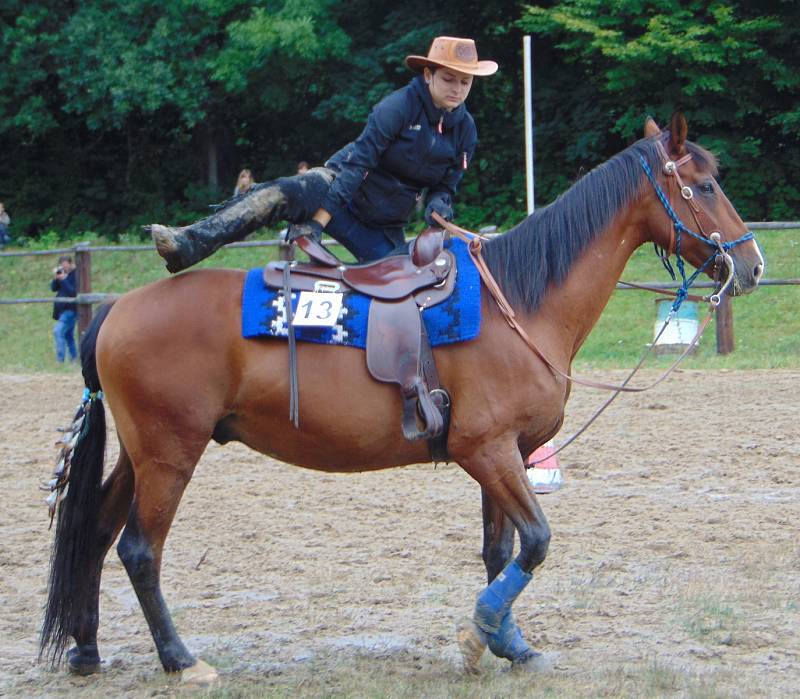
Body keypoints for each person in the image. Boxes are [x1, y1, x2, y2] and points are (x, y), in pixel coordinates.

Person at [149, 36, 497, 272]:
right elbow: (359, 165)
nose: (457, 89)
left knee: (402, 280)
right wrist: (317, 223)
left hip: (384, 223)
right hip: (338, 191)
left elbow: (447, 185)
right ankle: (189, 244)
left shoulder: (466, 131)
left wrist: (439, 205)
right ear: (428, 74)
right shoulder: (396, 108)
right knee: (275, 195)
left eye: (464, 82)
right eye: (449, 79)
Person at [51, 256, 78, 363]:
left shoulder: (76, 275)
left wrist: (64, 279)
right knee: (68, 336)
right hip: (62, 311)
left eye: (65, 264)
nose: (64, 267)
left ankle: (60, 360)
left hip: (71, 310)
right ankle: (75, 358)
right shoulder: (64, 274)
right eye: (62, 265)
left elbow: (72, 292)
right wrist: (56, 278)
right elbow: (53, 288)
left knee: (58, 331)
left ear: (71, 264)